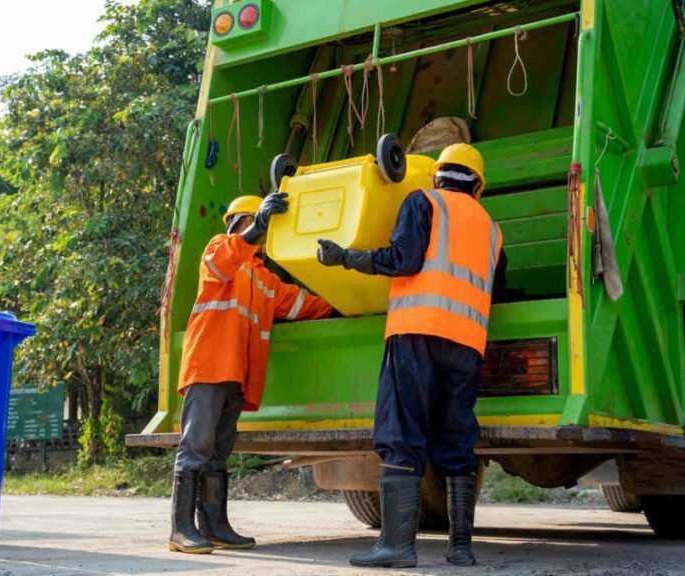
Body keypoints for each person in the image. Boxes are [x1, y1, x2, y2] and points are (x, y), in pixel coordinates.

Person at [317, 143, 506, 568]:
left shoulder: (423, 201)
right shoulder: (493, 229)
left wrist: (345, 257)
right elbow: (499, 289)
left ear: (438, 175)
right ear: (478, 185)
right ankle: (461, 549)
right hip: (466, 345)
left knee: (401, 433)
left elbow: (402, 259)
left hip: (416, 334)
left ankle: (398, 547)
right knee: (457, 439)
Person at [170, 193, 333, 554]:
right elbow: (222, 262)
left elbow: (301, 304)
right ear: (239, 223)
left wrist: (343, 304)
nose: (257, 231)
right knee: (195, 448)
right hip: (209, 366)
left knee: (217, 452)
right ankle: (181, 530)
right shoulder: (219, 250)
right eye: (253, 222)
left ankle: (214, 525)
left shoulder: (264, 279)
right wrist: (256, 227)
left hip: (235, 375)